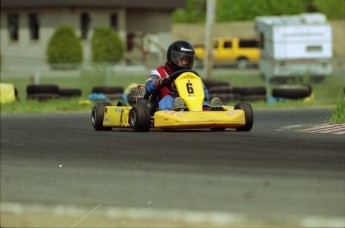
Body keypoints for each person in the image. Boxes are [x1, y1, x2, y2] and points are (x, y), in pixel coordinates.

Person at [145, 40, 223, 111]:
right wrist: (160, 83)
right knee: (167, 99)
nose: (184, 63)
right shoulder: (158, 72)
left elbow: (206, 96)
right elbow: (147, 88)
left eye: (187, 60)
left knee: (201, 101)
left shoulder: (192, 75)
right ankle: (175, 110)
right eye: (181, 59)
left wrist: (200, 88)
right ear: (171, 57)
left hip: (189, 101)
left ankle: (211, 111)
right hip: (163, 103)